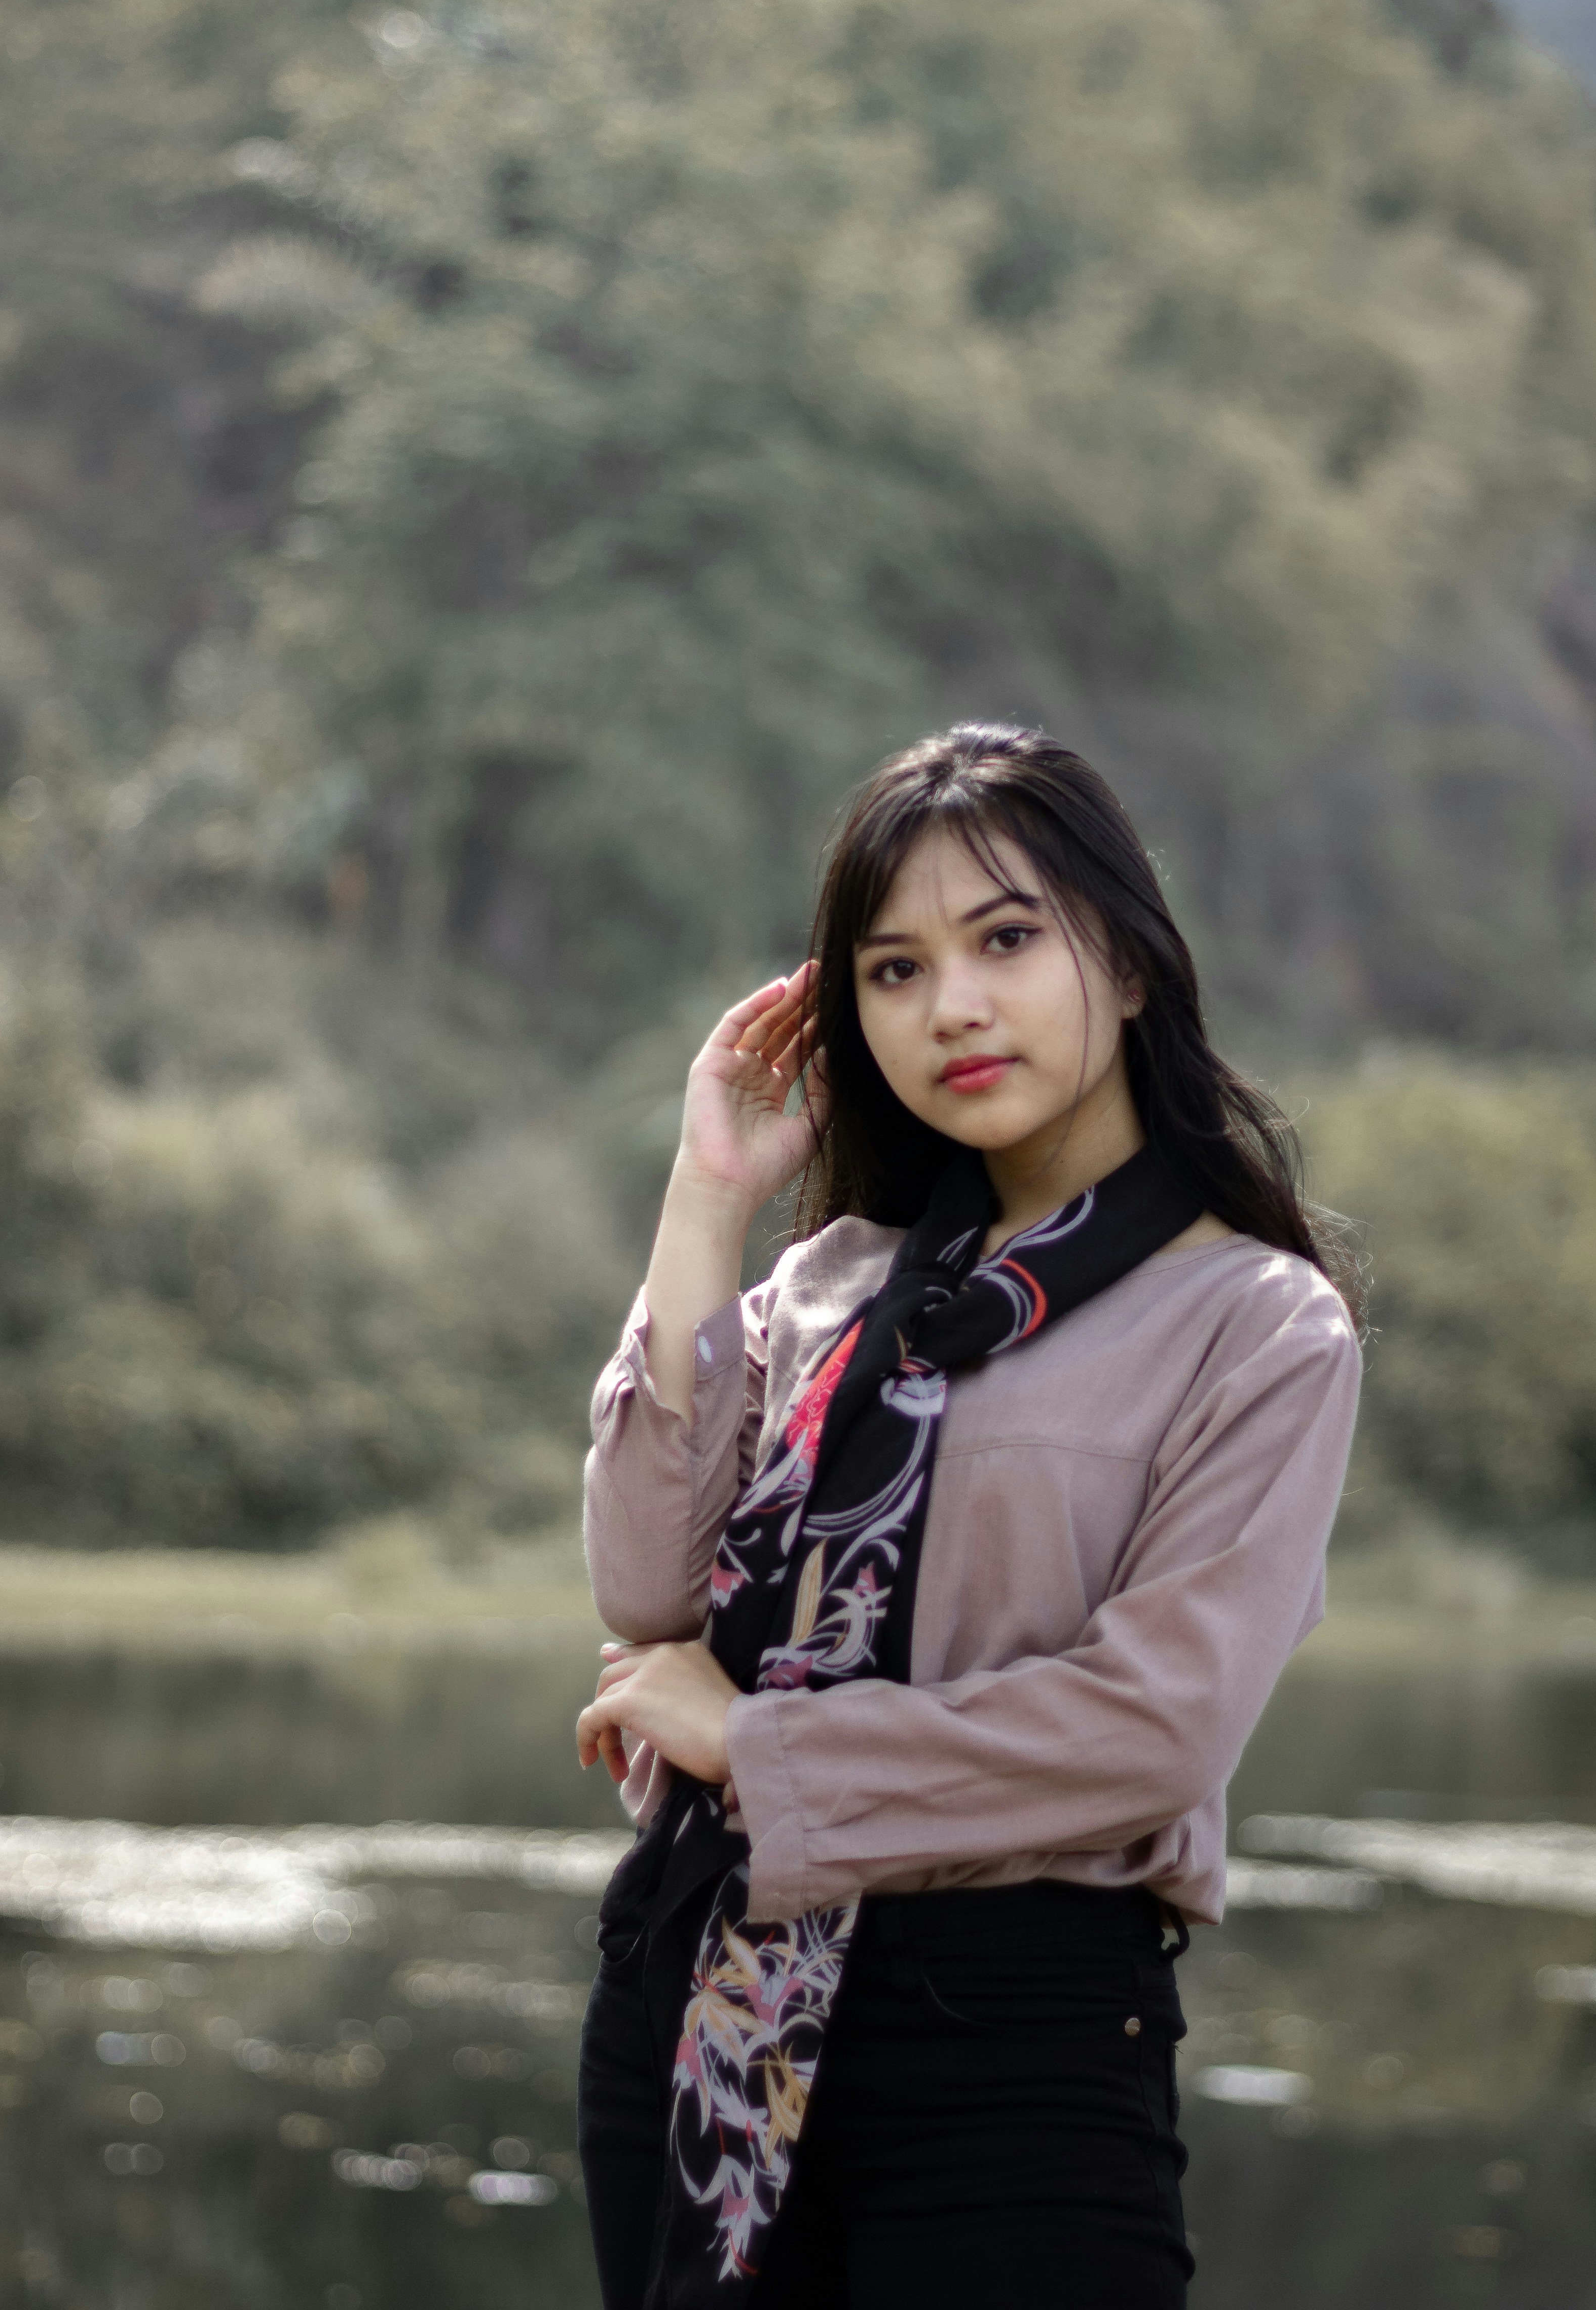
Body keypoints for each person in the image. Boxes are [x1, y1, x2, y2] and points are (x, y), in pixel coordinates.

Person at [575, 723, 1362, 2310]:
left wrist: (761, 1747)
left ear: (1126, 963)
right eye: (895, 969)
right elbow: (647, 1586)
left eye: (1006, 940)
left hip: (1014, 2047)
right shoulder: (828, 1289)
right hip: (705, 2010)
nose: (952, 1006)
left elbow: (1152, 1731)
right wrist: (709, 1196)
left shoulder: (1255, 1326)